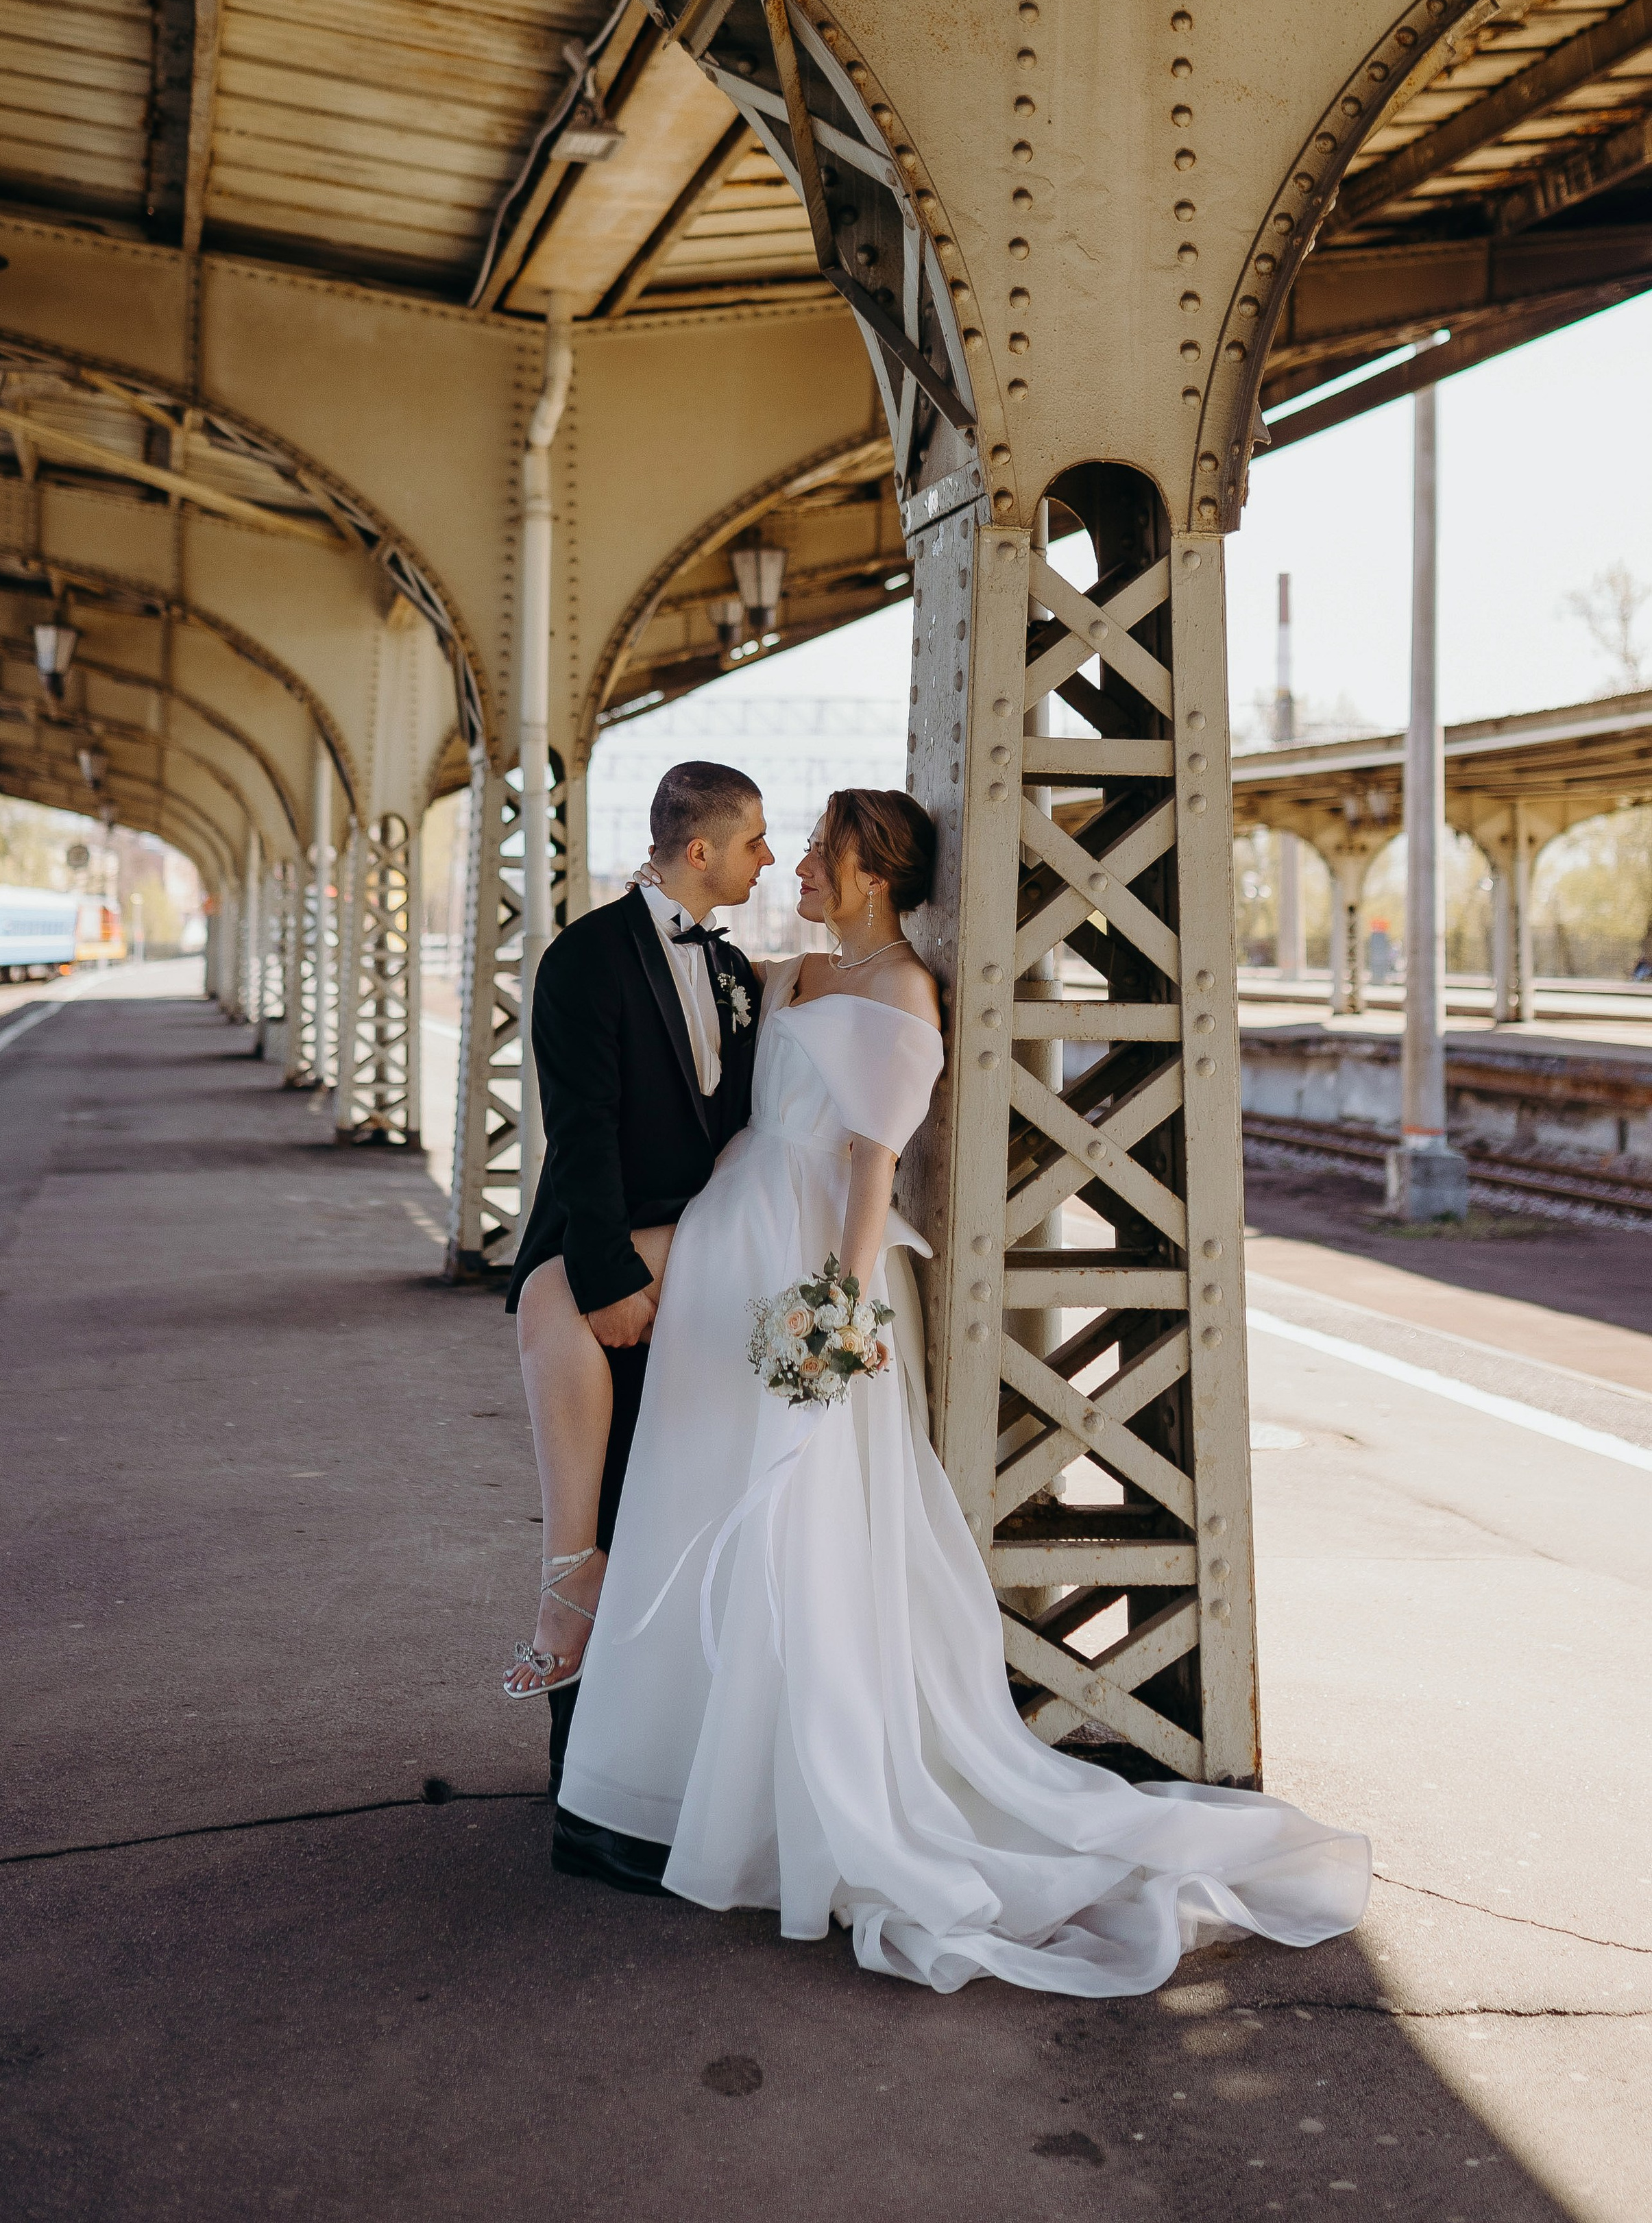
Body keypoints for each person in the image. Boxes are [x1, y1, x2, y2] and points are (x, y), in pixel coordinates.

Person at [556, 787, 1372, 1995]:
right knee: (687, 1494)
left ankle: (778, 1806)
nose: (795, 868)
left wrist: (840, 1314)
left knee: (795, 1530)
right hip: (726, 1240)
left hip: (802, 1263)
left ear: (870, 872)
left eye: (817, 853)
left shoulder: (901, 996)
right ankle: (653, 1794)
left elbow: (873, 1169)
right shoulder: (790, 977)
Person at [502, 760, 772, 1891]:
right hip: (612, 1267)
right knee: (606, 1509)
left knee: (680, 1521)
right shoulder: (584, 959)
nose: (768, 856)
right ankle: (581, 1796)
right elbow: (585, 1134)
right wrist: (609, 1280)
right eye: (754, 840)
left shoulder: (741, 967)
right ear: (697, 851)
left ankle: (665, 1772)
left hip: (705, 1268)